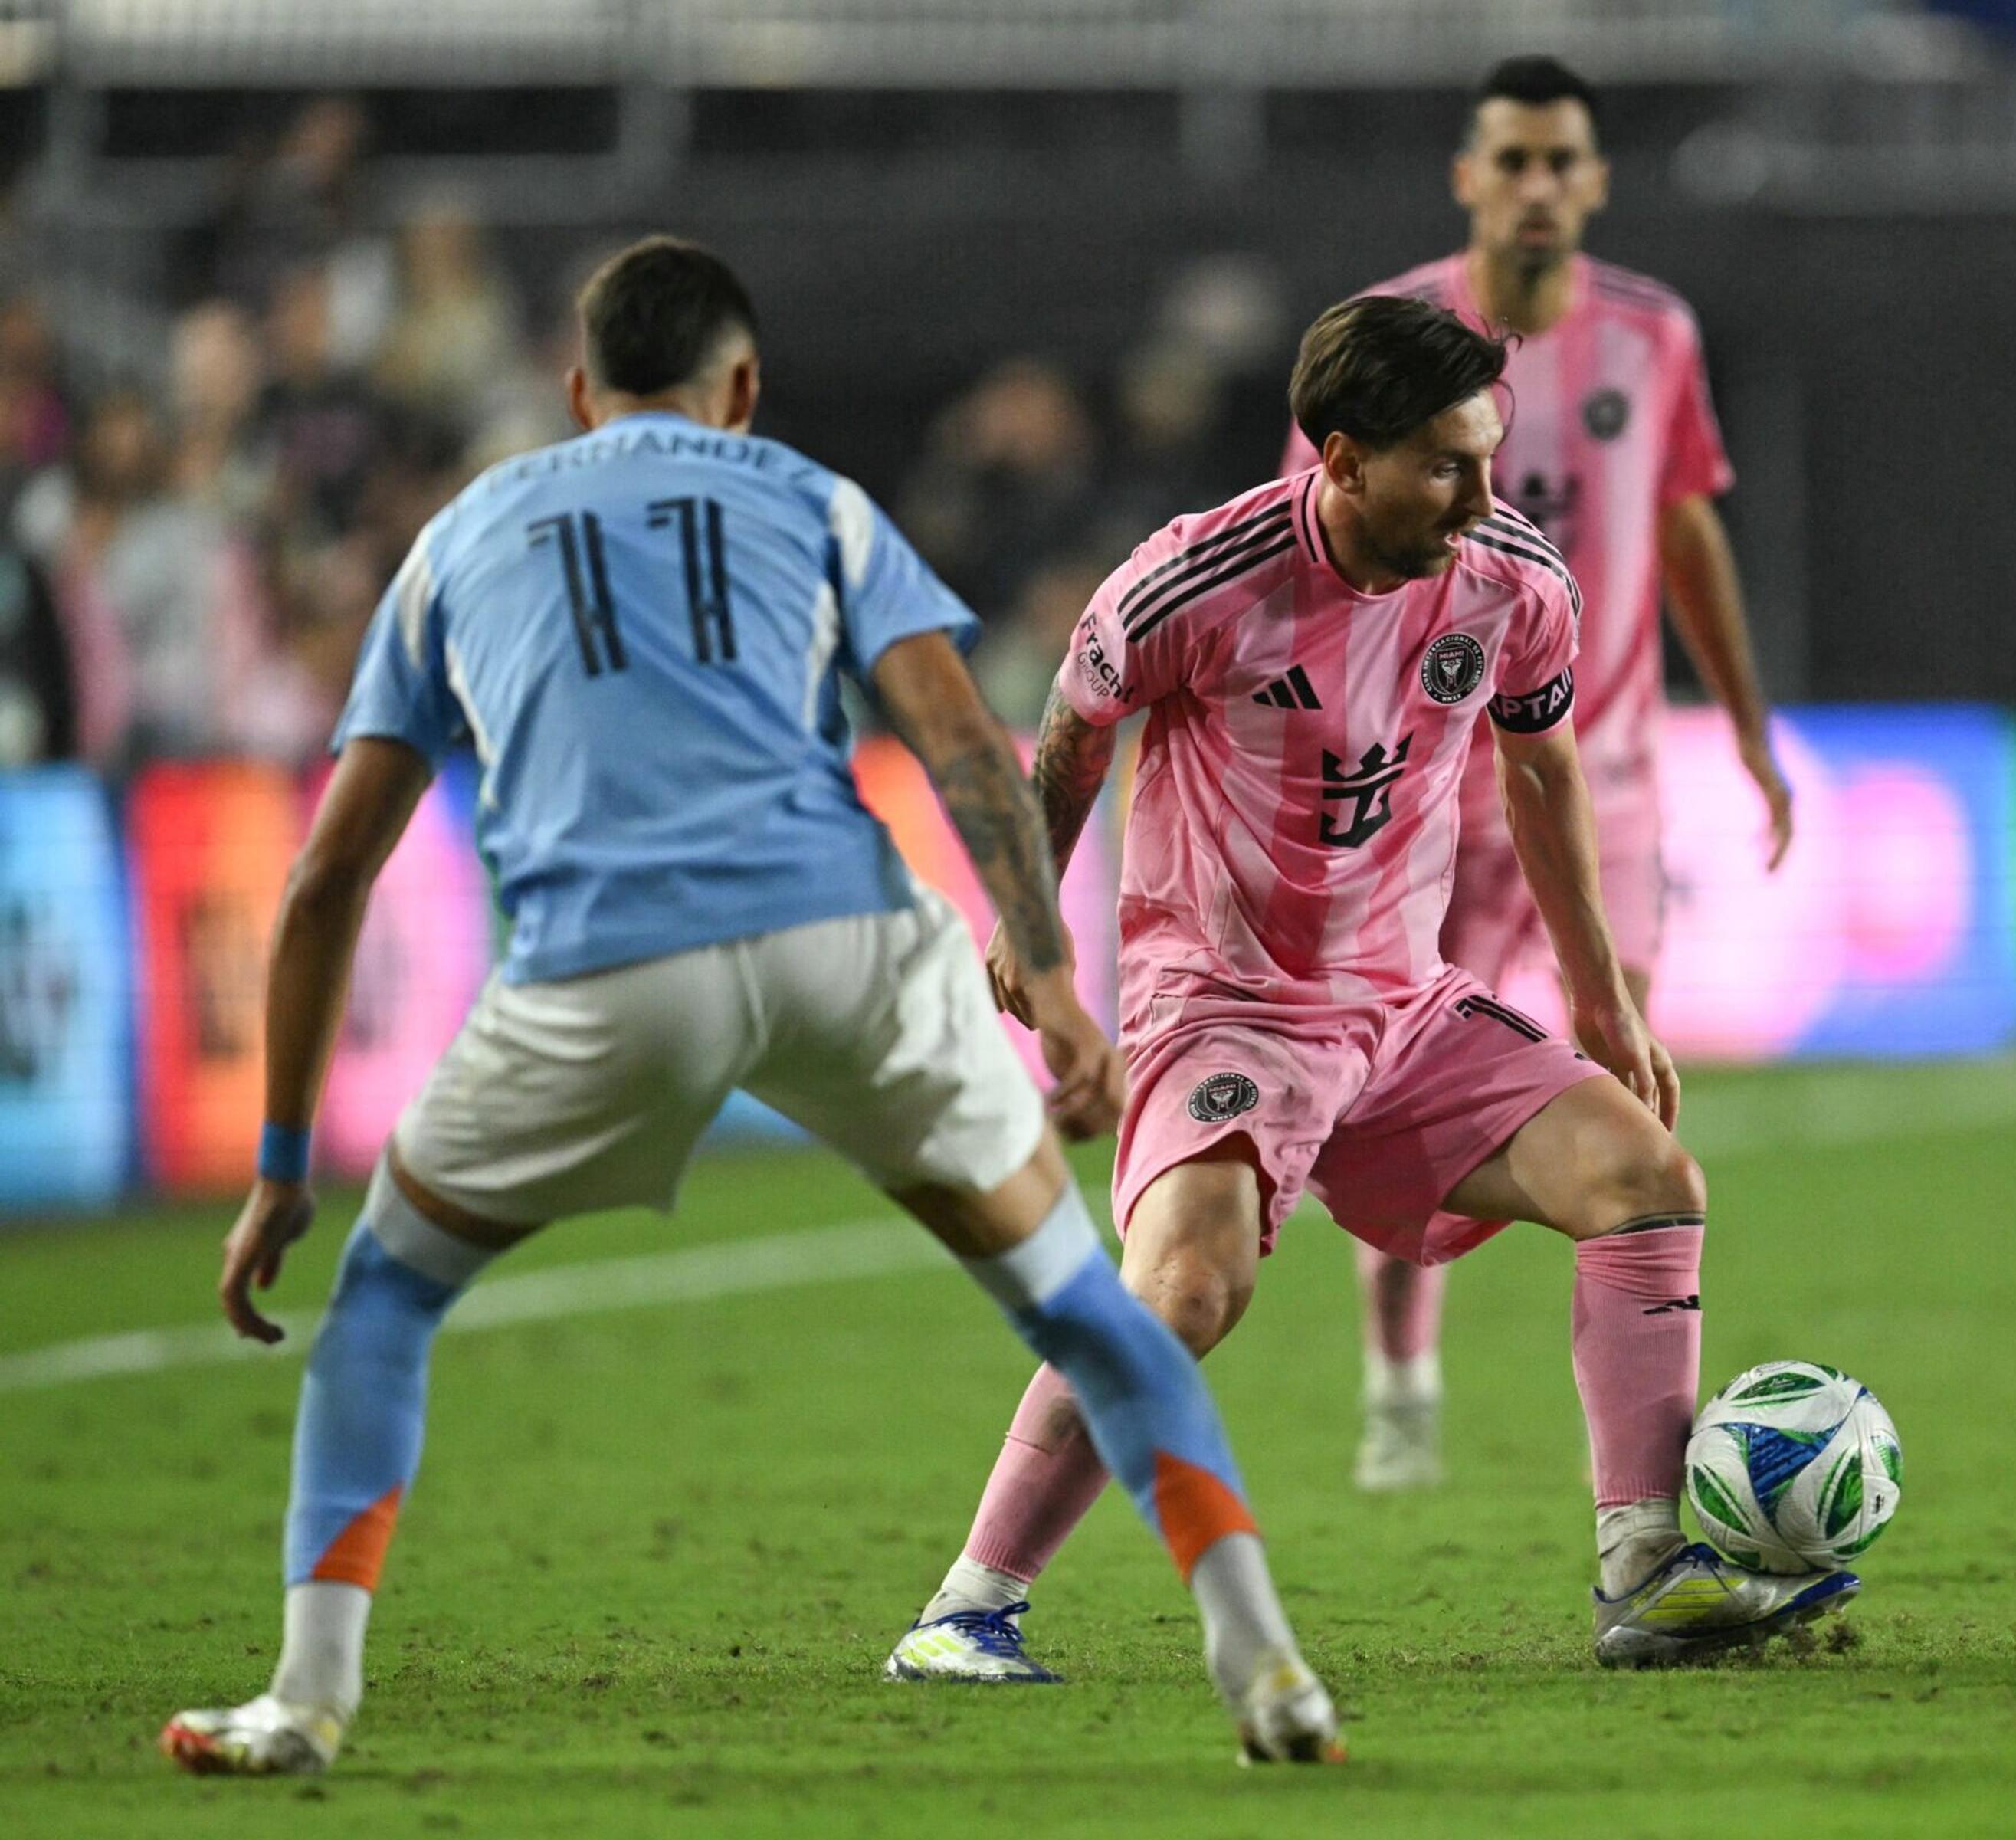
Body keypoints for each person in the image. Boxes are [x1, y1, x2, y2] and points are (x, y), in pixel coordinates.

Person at [159, 236, 1339, 1775]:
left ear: (578, 390)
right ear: (746, 389)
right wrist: (1050, 982)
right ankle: (1268, 1669)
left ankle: (307, 1699)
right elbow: (966, 745)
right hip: (843, 949)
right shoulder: (816, 501)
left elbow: (326, 882)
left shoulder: (463, 533)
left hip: (599, 972)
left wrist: (277, 1160)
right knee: (1083, 1306)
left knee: (384, 1300)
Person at [885, 294, 1857, 1684]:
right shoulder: (1189, 582)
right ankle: (966, 1609)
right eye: (1448, 465)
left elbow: (1540, 766)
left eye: (1490, 458)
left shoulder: (1513, 582)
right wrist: (1033, 919)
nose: (1484, 495)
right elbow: (1071, 732)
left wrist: (1601, 997)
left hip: (1403, 1009)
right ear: (1340, 458)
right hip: (1221, 1000)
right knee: (1186, 1291)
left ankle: (1645, 1572)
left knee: (1647, 1179)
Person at [1283, 56, 1792, 1491]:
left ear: (1596, 182)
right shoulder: (1392, 344)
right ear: (1469, 180)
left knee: (1624, 1088)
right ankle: (1400, 1379)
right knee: (1396, 1078)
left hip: (1599, 787)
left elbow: (1687, 533)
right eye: (1511, 160)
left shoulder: (1653, 335)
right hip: (1426, 793)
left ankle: (1640, 1458)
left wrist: (1747, 725)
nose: (1538, 187)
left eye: (1562, 160)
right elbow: (1310, 547)